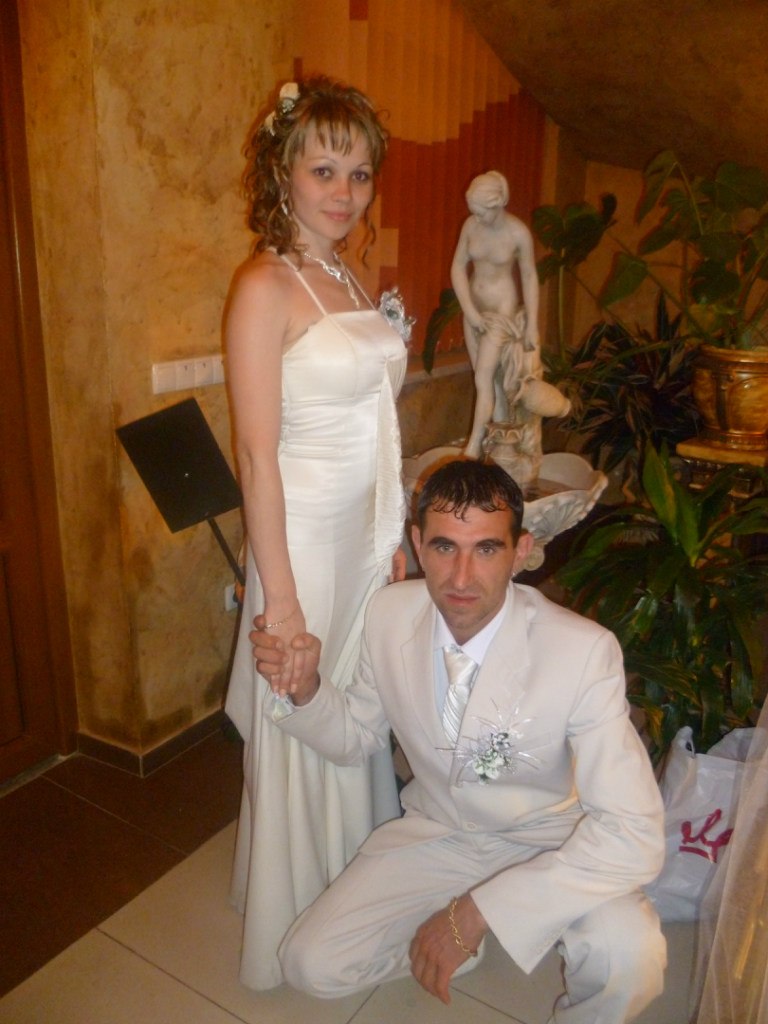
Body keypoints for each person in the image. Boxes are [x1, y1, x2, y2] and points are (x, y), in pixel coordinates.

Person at [252, 459, 667, 1023]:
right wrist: (305, 691)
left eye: (487, 549)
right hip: (441, 833)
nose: (463, 577)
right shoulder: (388, 614)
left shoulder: (582, 651)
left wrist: (478, 912)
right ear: (419, 545)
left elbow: (635, 834)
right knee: (311, 964)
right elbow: (356, 737)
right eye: (445, 547)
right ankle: (458, 951)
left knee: (631, 957)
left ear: (521, 552)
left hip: (551, 839)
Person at [223, 75, 411, 991]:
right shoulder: (264, 285)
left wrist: (392, 530)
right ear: (283, 171)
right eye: (324, 169)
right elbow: (256, 457)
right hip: (298, 544)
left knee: (358, 702)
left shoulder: (344, 275)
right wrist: (284, 605)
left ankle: (353, 885)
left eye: (360, 173)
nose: (344, 192)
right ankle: (296, 913)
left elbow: (379, 419)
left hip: (361, 538)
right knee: (304, 708)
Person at [450, 171, 541, 458]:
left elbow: (529, 276)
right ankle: (500, 438)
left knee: (483, 378)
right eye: (473, 212)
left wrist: (532, 325)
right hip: (473, 309)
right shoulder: (471, 226)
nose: (476, 218)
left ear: (498, 203)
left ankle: (474, 445)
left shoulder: (518, 233)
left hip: (501, 312)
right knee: (487, 378)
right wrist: (470, 311)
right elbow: (457, 268)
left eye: (481, 212)